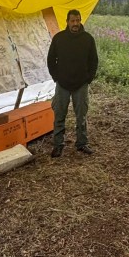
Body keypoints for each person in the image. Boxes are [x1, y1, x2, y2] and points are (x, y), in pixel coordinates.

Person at [47, 9, 98, 158]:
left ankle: (82, 143)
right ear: (67, 22)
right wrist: (56, 77)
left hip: (81, 84)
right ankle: (58, 145)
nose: (75, 24)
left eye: (77, 20)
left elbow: (93, 61)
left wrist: (89, 78)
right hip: (62, 84)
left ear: (80, 20)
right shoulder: (59, 38)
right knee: (59, 115)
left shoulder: (88, 39)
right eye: (72, 21)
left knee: (81, 116)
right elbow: (51, 60)